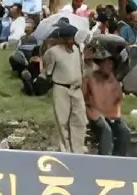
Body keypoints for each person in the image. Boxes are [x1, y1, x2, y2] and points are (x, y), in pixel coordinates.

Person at [41, 20, 86, 153]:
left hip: (76, 88)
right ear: (62, 38)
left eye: (72, 37)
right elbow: (47, 71)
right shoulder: (53, 52)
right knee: (62, 120)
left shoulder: (77, 50)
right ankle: (65, 149)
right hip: (61, 88)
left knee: (79, 119)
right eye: (68, 38)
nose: (70, 41)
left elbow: (81, 68)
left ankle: (78, 150)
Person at [85, 53, 130, 155]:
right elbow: (84, 100)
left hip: (111, 115)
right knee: (106, 131)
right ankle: (104, 160)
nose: (109, 66)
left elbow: (118, 101)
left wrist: (117, 114)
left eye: (111, 64)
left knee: (125, 132)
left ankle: (119, 160)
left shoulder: (114, 80)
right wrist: (92, 114)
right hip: (95, 114)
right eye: (107, 63)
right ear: (100, 64)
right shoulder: (90, 78)